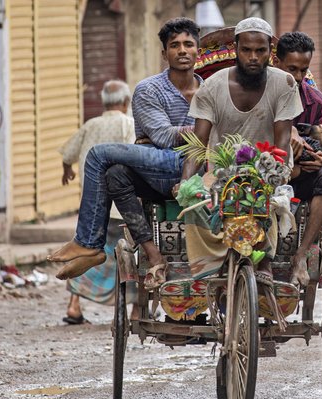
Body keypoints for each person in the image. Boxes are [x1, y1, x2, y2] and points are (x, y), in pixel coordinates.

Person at [48, 17, 202, 290]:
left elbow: (170, 135)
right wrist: (205, 131)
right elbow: (164, 137)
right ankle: (144, 253)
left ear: (197, 50)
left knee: (99, 156)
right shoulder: (149, 89)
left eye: (188, 44)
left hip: (198, 170)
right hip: (161, 170)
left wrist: (202, 134)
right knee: (113, 172)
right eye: (174, 45)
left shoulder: (210, 90)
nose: (182, 50)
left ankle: (87, 243)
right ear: (164, 53)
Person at [178, 17, 302, 283]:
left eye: (260, 51)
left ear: (270, 50)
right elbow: (198, 143)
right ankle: (212, 265)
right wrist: (186, 181)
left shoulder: (285, 84)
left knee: (263, 200)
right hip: (224, 170)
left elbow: (281, 141)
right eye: (246, 50)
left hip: (270, 165)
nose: (253, 57)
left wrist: (273, 174)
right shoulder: (212, 87)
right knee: (196, 207)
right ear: (236, 48)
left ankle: (265, 262)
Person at [56, 79, 136, 324]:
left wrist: (67, 170)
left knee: (87, 253)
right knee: (130, 255)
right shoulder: (128, 124)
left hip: (93, 206)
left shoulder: (90, 125)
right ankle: (135, 311)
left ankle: (74, 305)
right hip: (122, 204)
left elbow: (68, 153)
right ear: (125, 102)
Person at [273, 31, 322, 286]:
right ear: (277, 63)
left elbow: (320, 144)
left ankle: (300, 255)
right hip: (261, 171)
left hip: (298, 175)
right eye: (292, 69)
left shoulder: (317, 103)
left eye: (304, 70)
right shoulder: (260, 90)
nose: (298, 77)